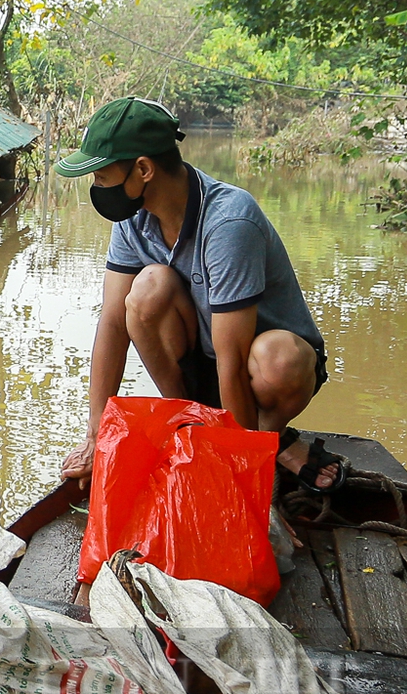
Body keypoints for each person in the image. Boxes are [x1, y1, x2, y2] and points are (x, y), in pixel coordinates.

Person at [54, 96, 344, 491]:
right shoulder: (133, 218)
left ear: (143, 169)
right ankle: (201, 422)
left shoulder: (229, 222)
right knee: (146, 290)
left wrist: (240, 479)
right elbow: (112, 322)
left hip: (257, 369)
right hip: (205, 364)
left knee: (279, 359)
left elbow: (233, 358)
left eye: (102, 176)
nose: (97, 187)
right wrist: (94, 435)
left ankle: (262, 444)